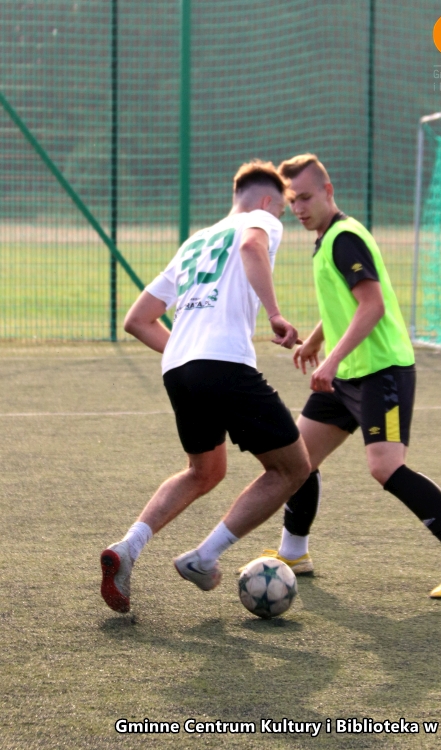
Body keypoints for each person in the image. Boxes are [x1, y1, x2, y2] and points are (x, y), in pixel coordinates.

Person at [246, 153, 441, 599]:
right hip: (347, 373)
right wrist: (317, 341)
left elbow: (372, 305)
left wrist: (330, 361)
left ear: (328, 191)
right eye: (292, 200)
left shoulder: (345, 238)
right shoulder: (326, 239)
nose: (298, 208)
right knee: (298, 460)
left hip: (381, 370)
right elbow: (345, 303)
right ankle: (294, 552)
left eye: (306, 197)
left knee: (385, 467)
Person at [100, 160, 310, 613]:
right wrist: (274, 314)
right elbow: (252, 246)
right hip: (225, 363)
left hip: (179, 370)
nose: (281, 217)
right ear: (268, 201)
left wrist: (188, 350)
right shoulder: (262, 220)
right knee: (292, 469)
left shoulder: (195, 241)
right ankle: (204, 556)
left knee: (204, 471)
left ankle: (127, 548)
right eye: (283, 209)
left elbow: (137, 320)